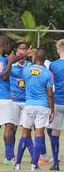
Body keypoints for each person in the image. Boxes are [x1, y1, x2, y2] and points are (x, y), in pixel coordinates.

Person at [0, 35, 33, 165]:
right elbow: (5, 76)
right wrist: (11, 63)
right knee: (9, 126)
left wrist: (24, 55)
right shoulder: (0, 60)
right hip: (3, 97)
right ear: (5, 45)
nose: (9, 49)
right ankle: (9, 157)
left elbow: (9, 60)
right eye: (8, 46)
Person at [15, 48, 54, 171]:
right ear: (45, 59)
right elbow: (50, 94)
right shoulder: (47, 73)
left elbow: (23, 83)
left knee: (24, 135)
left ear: (35, 58)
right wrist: (52, 111)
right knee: (39, 135)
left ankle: (17, 164)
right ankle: (34, 165)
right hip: (42, 106)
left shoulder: (26, 70)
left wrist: (27, 54)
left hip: (29, 105)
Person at [9, 42, 33, 158]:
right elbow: (1, 79)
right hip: (14, 102)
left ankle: (34, 155)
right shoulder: (11, 66)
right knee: (12, 128)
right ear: (17, 52)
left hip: (27, 102)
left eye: (25, 49)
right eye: (20, 49)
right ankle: (11, 155)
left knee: (27, 129)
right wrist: (8, 92)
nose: (22, 51)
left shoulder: (31, 66)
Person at [48, 39, 64, 171]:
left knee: (55, 132)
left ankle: (56, 164)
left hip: (58, 102)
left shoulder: (53, 65)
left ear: (58, 51)